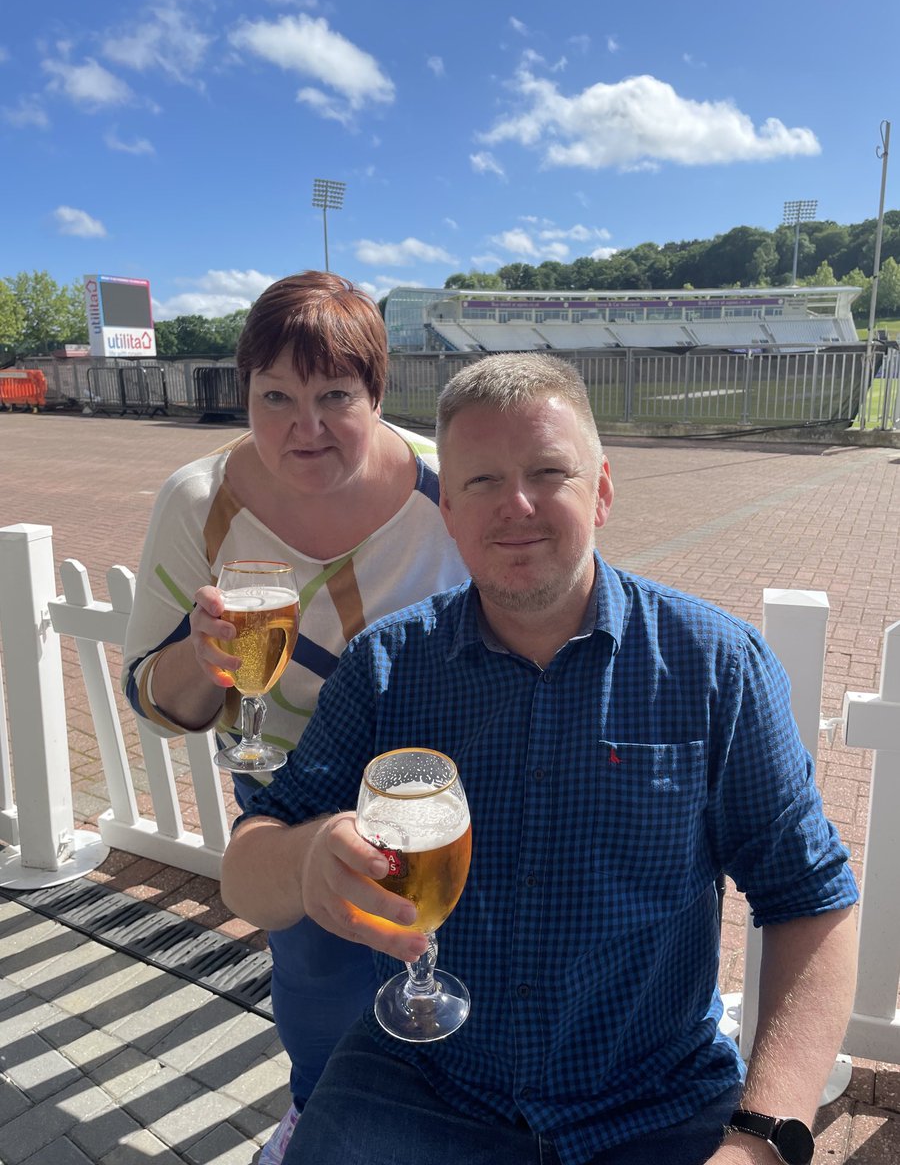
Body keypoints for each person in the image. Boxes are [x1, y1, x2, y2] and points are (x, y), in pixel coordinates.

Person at [221, 351, 860, 1165]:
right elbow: (248, 869)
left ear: (601, 490)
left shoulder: (714, 665)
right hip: (424, 1086)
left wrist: (766, 1139)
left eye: (548, 471)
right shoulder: (387, 665)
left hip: (653, 1095)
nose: (515, 505)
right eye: (482, 482)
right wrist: (305, 858)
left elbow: (813, 900)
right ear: (447, 510)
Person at [122, 271, 467, 1164]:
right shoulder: (198, 503)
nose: (303, 427)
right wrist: (199, 662)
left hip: (439, 793)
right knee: (318, 981)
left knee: (456, 973)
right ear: (244, 394)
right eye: (275, 396)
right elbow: (152, 703)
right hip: (289, 794)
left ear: (378, 396)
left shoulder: (449, 485)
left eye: (334, 397)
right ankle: (319, 1111)